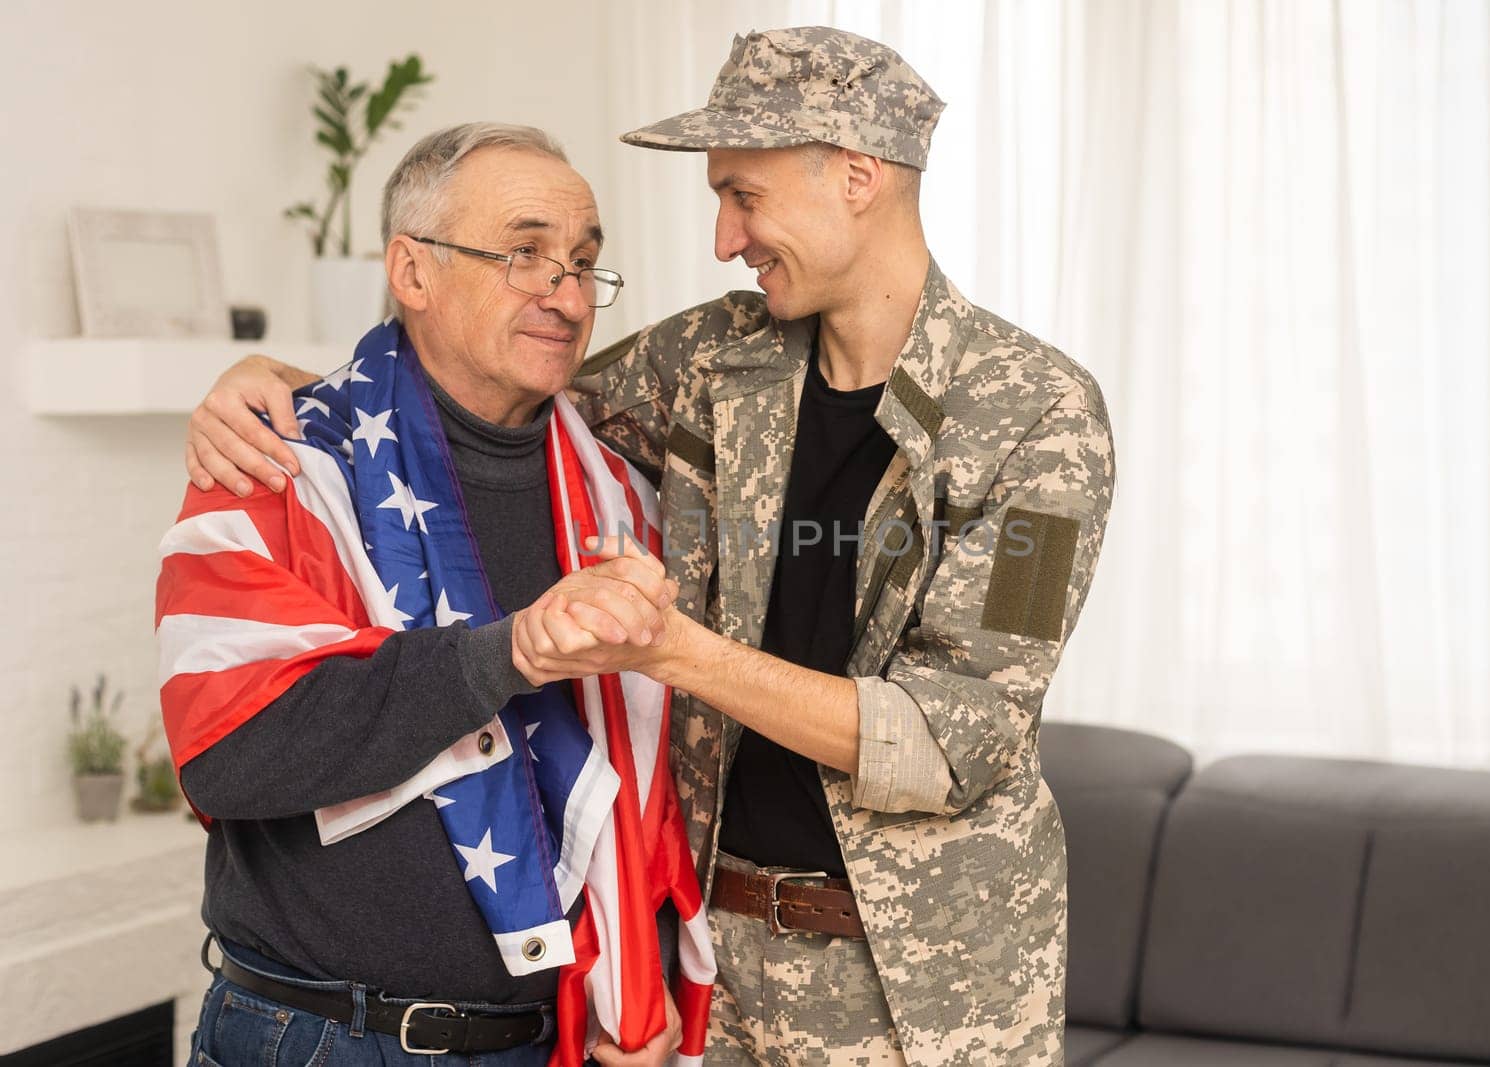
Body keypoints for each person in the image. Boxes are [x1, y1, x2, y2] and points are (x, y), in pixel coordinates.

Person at [185, 27, 1115, 1066]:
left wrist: (666, 648)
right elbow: (484, 383)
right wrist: (285, 384)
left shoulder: (1042, 420)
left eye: (744, 195)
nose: (725, 238)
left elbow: (957, 740)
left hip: (929, 993)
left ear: (857, 175)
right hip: (720, 967)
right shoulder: (714, 358)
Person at [158, 123, 709, 1067]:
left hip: (557, 1038)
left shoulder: (625, 492)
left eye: (583, 262)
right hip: (326, 1036)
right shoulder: (277, 462)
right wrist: (508, 655)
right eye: (524, 254)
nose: (567, 295)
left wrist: (639, 977)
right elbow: (231, 752)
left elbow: (646, 764)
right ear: (412, 273)